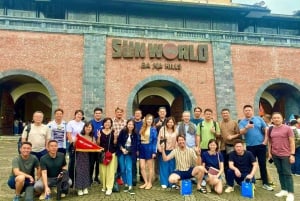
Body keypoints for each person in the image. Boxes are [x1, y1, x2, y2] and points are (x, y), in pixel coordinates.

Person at [239, 105, 273, 191]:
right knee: (251, 165)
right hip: (250, 146)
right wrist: (247, 127)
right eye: (246, 110)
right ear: (244, 112)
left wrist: (265, 141)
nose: (248, 112)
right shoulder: (242, 122)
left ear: (252, 111)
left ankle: (265, 183)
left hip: (261, 145)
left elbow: (266, 129)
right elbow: (241, 132)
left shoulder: (259, 119)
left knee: (262, 164)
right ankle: (252, 182)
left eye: (249, 110)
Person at [268, 112, 295, 201]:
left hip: (286, 155)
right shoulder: (270, 129)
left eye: (278, 117)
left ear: (282, 118)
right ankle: (284, 190)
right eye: (274, 118)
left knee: (287, 174)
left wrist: (292, 154)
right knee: (280, 173)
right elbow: (270, 142)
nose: (276, 119)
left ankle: (291, 193)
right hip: (275, 155)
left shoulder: (288, 129)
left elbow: (292, 142)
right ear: (272, 119)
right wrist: (270, 153)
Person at [117, 119, 140, 195]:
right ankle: (126, 184)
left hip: (130, 153)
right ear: (127, 124)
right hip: (121, 151)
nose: (130, 126)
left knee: (129, 169)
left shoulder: (136, 134)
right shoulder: (123, 132)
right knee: (123, 169)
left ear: (134, 126)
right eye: (129, 124)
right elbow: (119, 141)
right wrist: (122, 149)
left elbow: (136, 145)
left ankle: (130, 186)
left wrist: (128, 150)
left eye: (132, 125)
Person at [97, 118, 118, 196]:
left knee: (110, 172)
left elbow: (115, 143)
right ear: (103, 123)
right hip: (102, 154)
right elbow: (98, 144)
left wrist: (115, 137)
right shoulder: (100, 132)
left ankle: (109, 187)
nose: (107, 124)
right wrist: (98, 137)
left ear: (111, 124)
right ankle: (104, 186)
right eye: (106, 122)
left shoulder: (113, 132)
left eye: (109, 122)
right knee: (102, 172)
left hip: (111, 154)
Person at [75, 122, 96, 196]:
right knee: (80, 171)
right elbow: (75, 145)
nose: (88, 128)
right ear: (84, 128)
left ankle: (85, 187)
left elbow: (94, 146)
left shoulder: (93, 137)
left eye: (90, 127)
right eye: (87, 127)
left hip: (88, 156)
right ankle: (79, 188)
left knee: (87, 171)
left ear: (92, 129)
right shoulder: (80, 136)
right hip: (80, 156)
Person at [219, 108, 240, 178]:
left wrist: (232, 136)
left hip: (232, 147)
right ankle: (228, 180)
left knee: (233, 163)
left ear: (229, 114)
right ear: (221, 115)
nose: (225, 114)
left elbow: (238, 134)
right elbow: (219, 136)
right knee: (225, 164)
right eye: (223, 113)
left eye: (226, 113)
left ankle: (235, 178)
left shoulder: (234, 122)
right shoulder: (219, 124)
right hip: (223, 147)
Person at [66, 110, 85, 188]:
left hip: (81, 146)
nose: (79, 116)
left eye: (81, 115)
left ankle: (78, 180)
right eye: (78, 114)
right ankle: (70, 180)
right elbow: (69, 134)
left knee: (80, 163)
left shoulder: (83, 124)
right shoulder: (70, 123)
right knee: (72, 162)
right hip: (73, 145)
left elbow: (84, 134)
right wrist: (72, 143)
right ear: (75, 115)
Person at [157, 116, 177, 188]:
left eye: (171, 122)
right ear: (166, 123)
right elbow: (159, 139)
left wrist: (176, 149)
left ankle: (172, 183)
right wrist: (159, 148)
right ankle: (164, 182)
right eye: (169, 122)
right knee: (163, 166)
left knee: (172, 166)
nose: (170, 123)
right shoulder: (163, 129)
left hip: (173, 151)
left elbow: (178, 140)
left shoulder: (176, 130)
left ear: (174, 123)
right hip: (164, 150)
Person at [139, 114, 157, 190]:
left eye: (151, 119)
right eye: (148, 119)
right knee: (142, 167)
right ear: (145, 120)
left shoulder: (153, 129)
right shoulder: (142, 128)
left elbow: (154, 141)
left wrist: (154, 152)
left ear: (152, 121)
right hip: (142, 148)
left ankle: (150, 183)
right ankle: (145, 182)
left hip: (149, 148)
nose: (149, 120)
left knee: (150, 167)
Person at [112, 107, 127, 185]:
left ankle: (120, 178)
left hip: (122, 145)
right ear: (115, 113)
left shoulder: (125, 122)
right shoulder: (111, 122)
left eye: (121, 112)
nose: (119, 113)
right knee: (114, 162)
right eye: (118, 112)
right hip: (114, 144)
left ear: (122, 113)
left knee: (121, 162)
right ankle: (113, 177)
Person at [89, 107, 103, 184]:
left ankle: (96, 177)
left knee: (98, 163)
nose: (98, 114)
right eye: (96, 113)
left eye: (99, 113)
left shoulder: (104, 123)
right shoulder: (90, 122)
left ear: (101, 114)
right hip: (91, 147)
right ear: (94, 114)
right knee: (91, 163)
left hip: (100, 147)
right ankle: (90, 177)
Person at [133, 109, 143, 185]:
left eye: (139, 114)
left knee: (142, 161)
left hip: (142, 144)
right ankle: (134, 178)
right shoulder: (131, 122)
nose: (137, 115)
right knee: (133, 161)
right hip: (133, 144)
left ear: (141, 115)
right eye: (136, 113)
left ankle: (142, 176)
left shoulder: (144, 123)